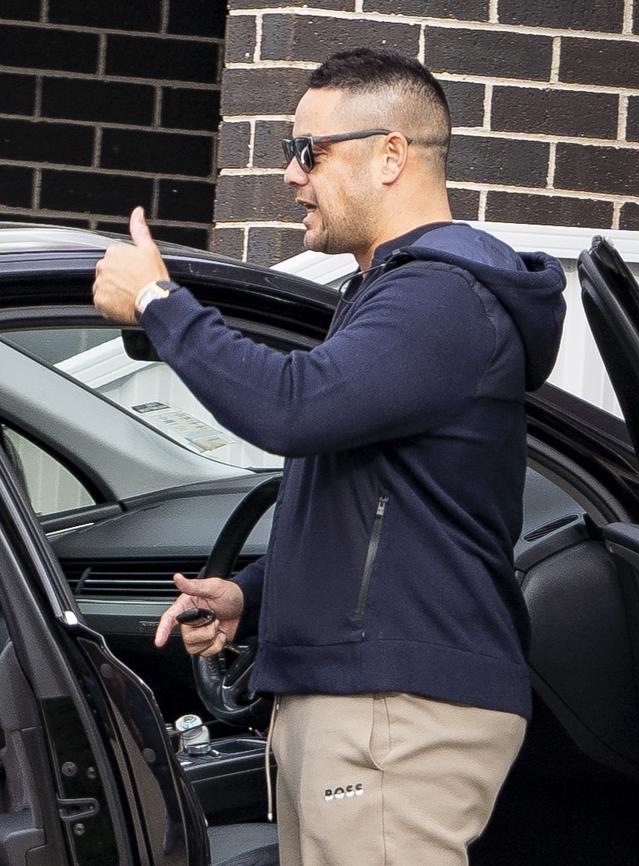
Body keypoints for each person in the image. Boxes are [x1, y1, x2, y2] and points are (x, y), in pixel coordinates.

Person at [93, 48, 566, 866]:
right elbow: (382, 501)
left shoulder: (441, 298)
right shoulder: (395, 294)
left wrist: (158, 302)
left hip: (396, 710)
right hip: (368, 703)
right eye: (288, 151)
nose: (289, 174)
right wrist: (254, 599)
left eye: (309, 151)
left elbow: (289, 404)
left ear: (392, 155)